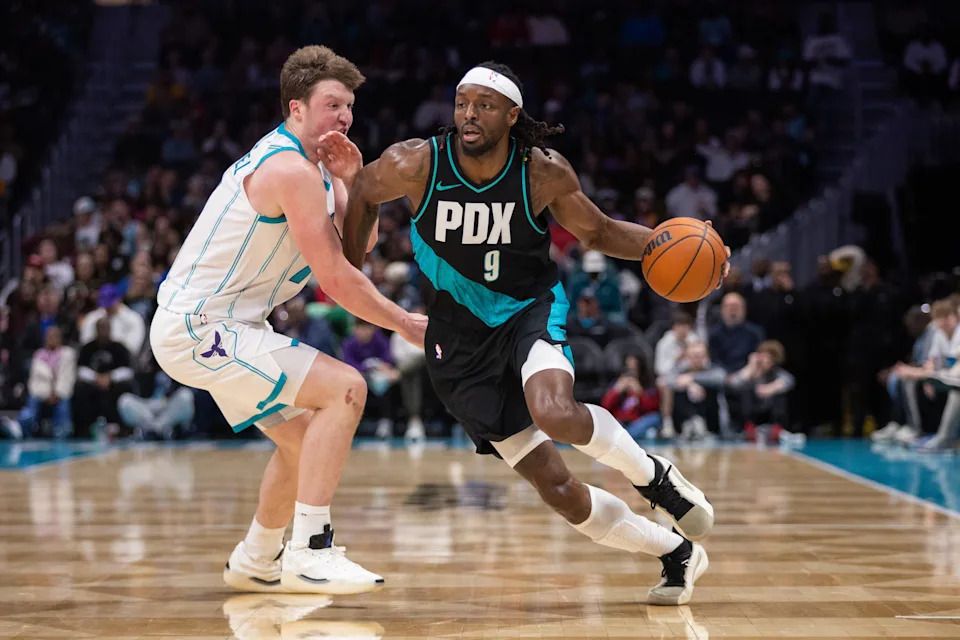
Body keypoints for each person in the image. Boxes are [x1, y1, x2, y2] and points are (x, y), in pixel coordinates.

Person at [343, 61, 731, 605]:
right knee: (560, 491)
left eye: (483, 104)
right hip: (458, 342)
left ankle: (654, 476)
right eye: (461, 103)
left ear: (511, 113)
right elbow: (361, 190)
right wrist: (352, 258)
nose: (468, 115)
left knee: (555, 410)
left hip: (529, 308)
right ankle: (675, 552)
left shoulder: (540, 171)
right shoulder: (416, 162)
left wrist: (682, 252)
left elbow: (598, 231)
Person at [149, 46, 427, 596]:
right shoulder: (288, 169)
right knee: (346, 389)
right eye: (331, 104)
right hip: (199, 326)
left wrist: (352, 181)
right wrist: (403, 323)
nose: (344, 117)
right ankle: (310, 551)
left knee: (303, 445)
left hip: (231, 325)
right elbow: (338, 279)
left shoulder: (318, 171)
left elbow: (360, 247)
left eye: (349, 106)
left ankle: (256, 557)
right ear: (296, 109)